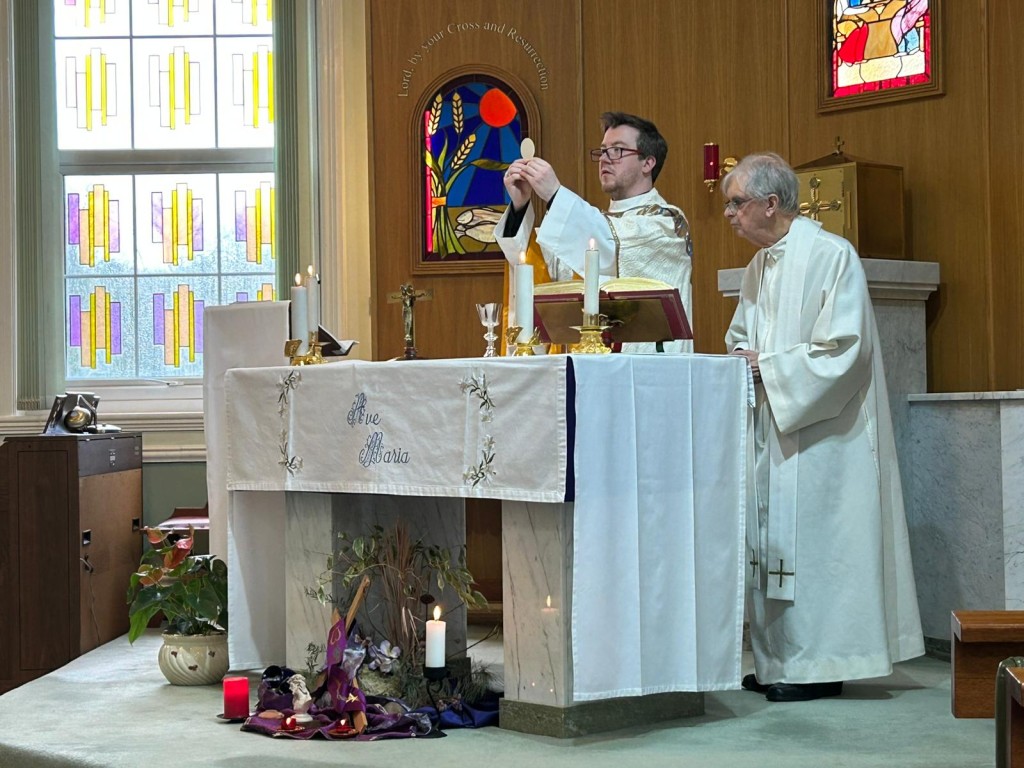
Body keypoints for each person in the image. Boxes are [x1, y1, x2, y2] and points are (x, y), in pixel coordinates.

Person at [722, 152, 924, 703]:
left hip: (823, 434)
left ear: (771, 202)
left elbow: (847, 349)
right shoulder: (758, 267)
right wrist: (742, 357)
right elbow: (742, 333)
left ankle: (821, 666)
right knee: (774, 545)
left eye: (737, 204)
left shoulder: (832, 256)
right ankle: (778, 661)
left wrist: (769, 367)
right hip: (776, 426)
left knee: (821, 546)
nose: (731, 215)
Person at [495, 112, 693, 353]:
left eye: (618, 150)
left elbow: (611, 248)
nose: (605, 159)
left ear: (647, 163)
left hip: (649, 372)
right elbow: (541, 267)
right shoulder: (593, 228)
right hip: (592, 370)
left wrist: (554, 194)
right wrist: (519, 207)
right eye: (603, 151)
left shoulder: (667, 222)